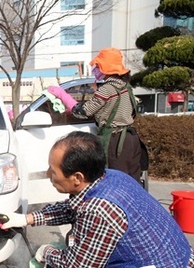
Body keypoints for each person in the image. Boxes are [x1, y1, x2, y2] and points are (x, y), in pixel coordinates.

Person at [0, 132, 194, 268]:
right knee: (77, 250)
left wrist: (46, 253)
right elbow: (73, 208)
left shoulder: (99, 209)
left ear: (78, 178)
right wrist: (25, 219)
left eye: (53, 172)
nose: (48, 175)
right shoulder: (111, 177)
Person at [47, 48, 144, 183]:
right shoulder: (125, 86)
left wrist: (62, 95)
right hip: (131, 139)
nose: (95, 69)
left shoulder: (107, 89)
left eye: (98, 66)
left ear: (106, 67)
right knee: (132, 181)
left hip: (115, 142)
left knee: (114, 181)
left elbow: (84, 112)